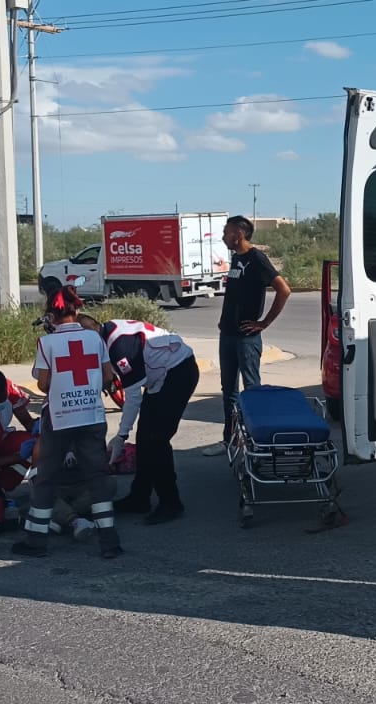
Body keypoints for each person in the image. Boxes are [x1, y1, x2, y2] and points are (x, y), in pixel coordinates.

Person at [12, 285, 122, 559]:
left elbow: (43, 384)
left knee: (46, 478)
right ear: (76, 310)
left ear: (51, 314)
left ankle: (37, 542)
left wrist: (63, 386)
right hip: (92, 415)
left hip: (59, 418)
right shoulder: (95, 339)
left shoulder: (47, 343)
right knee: (98, 477)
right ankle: (109, 542)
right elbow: (108, 375)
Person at [95, 318, 200, 525]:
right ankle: (140, 497)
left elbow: (133, 398)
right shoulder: (107, 329)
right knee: (144, 437)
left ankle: (171, 503)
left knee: (156, 440)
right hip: (162, 377)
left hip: (178, 374)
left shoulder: (119, 348)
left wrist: (121, 435)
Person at [203, 214, 291, 456]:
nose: (223, 237)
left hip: (246, 337)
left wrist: (264, 323)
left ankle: (257, 442)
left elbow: (284, 290)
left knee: (252, 390)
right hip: (227, 335)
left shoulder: (256, 258)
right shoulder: (235, 258)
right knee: (228, 390)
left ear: (239, 234)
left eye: (226, 232)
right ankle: (230, 441)